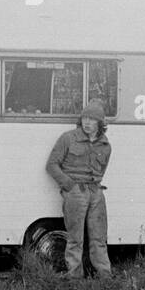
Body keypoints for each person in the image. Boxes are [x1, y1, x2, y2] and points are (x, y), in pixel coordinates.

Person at [45, 99, 113, 279]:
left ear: (100, 123)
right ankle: (74, 276)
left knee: (99, 238)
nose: (87, 123)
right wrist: (70, 186)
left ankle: (105, 276)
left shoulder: (105, 145)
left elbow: (102, 169)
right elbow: (52, 165)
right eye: (85, 118)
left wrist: (95, 187)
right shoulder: (68, 138)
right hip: (76, 193)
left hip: (96, 192)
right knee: (75, 238)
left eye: (92, 119)